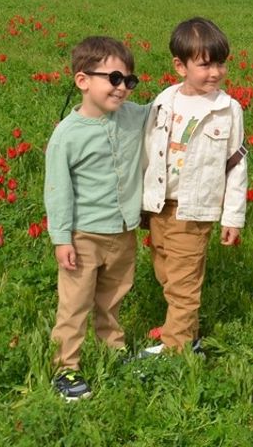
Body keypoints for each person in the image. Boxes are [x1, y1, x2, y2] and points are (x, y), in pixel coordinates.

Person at [44, 36, 148, 401]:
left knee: (113, 297)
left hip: (124, 231)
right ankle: (65, 367)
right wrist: (61, 238)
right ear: (82, 80)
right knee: (75, 304)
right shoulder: (67, 135)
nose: (122, 88)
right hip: (84, 235)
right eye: (114, 78)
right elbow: (57, 189)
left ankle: (112, 349)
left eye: (129, 80)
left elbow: (164, 109)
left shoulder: (133, 116)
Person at [139, 17, 247, 356]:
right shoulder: (164, 101)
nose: (215, 72)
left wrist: (233, 217)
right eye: (205, 65)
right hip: (160, 204)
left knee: (183, 280)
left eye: (220, 63)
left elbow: (236, 165)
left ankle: (177, 348)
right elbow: (146, 149)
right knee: (166, 272)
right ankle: (190, 335)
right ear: (180, 66)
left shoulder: (227, 110)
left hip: (194, 208)